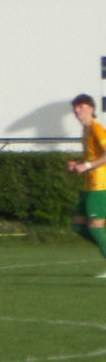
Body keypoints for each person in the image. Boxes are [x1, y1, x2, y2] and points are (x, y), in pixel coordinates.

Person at [67, 94, 106, 275]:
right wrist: (78, 163)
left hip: (100, 184)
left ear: (91, 108)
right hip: (88, 185)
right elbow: (92, 157)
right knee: (78, 225)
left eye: (81, 107)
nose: (77, 111)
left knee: (95, 226)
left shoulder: (96, 128)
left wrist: (87, 165)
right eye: (75, 108)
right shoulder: (85, 130)